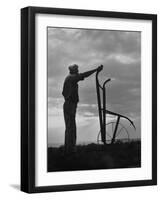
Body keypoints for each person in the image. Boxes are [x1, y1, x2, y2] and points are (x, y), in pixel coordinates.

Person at [62, 64, 103, 154]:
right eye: (76, 70)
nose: (78, 71)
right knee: (71, 128)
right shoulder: (71, 78)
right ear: (73, 71)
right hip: (70, 104)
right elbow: (84, 75)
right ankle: (70, 151)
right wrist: (96, 70)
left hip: (69, 104)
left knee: (70, 127)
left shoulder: (69, 78)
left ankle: (69, 149)